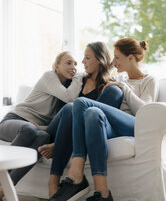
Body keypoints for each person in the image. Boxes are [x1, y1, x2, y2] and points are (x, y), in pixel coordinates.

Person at [49, 38, 159, 201]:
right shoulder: (119, 79)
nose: (114, 62)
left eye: (117, 57)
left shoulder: (148, 80)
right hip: (112, 128)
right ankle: (103, 193)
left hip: (133, 125)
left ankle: (76, 175)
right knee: (92, 113)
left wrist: (124, 88)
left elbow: (143, 111)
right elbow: (106, 107)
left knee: (81, 102)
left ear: (130, 58)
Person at [38, 41, 123, 199]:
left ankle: (62, 182)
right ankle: (53, 184)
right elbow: (59, 111)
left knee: (82, 108)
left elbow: (95, 124)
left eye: (87, 58)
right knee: (70, 108)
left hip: (80, 132)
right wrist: (42, 128)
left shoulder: (107, 88)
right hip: (59, 128)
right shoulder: (77, 81)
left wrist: (57, 145)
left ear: (99, 59)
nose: (82, 62)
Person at [0, 51, 83, 199]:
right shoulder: (49, 76)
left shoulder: (66, 88)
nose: (73, 67)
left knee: (44, 136)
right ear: (57, 66)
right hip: (13, 119)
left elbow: (53, 122)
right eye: (68, 63)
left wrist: (39, 127)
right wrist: (79, 76)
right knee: (29, 129)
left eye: (76, 65)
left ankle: (7, 186)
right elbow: (70, 98)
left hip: (31, 127)